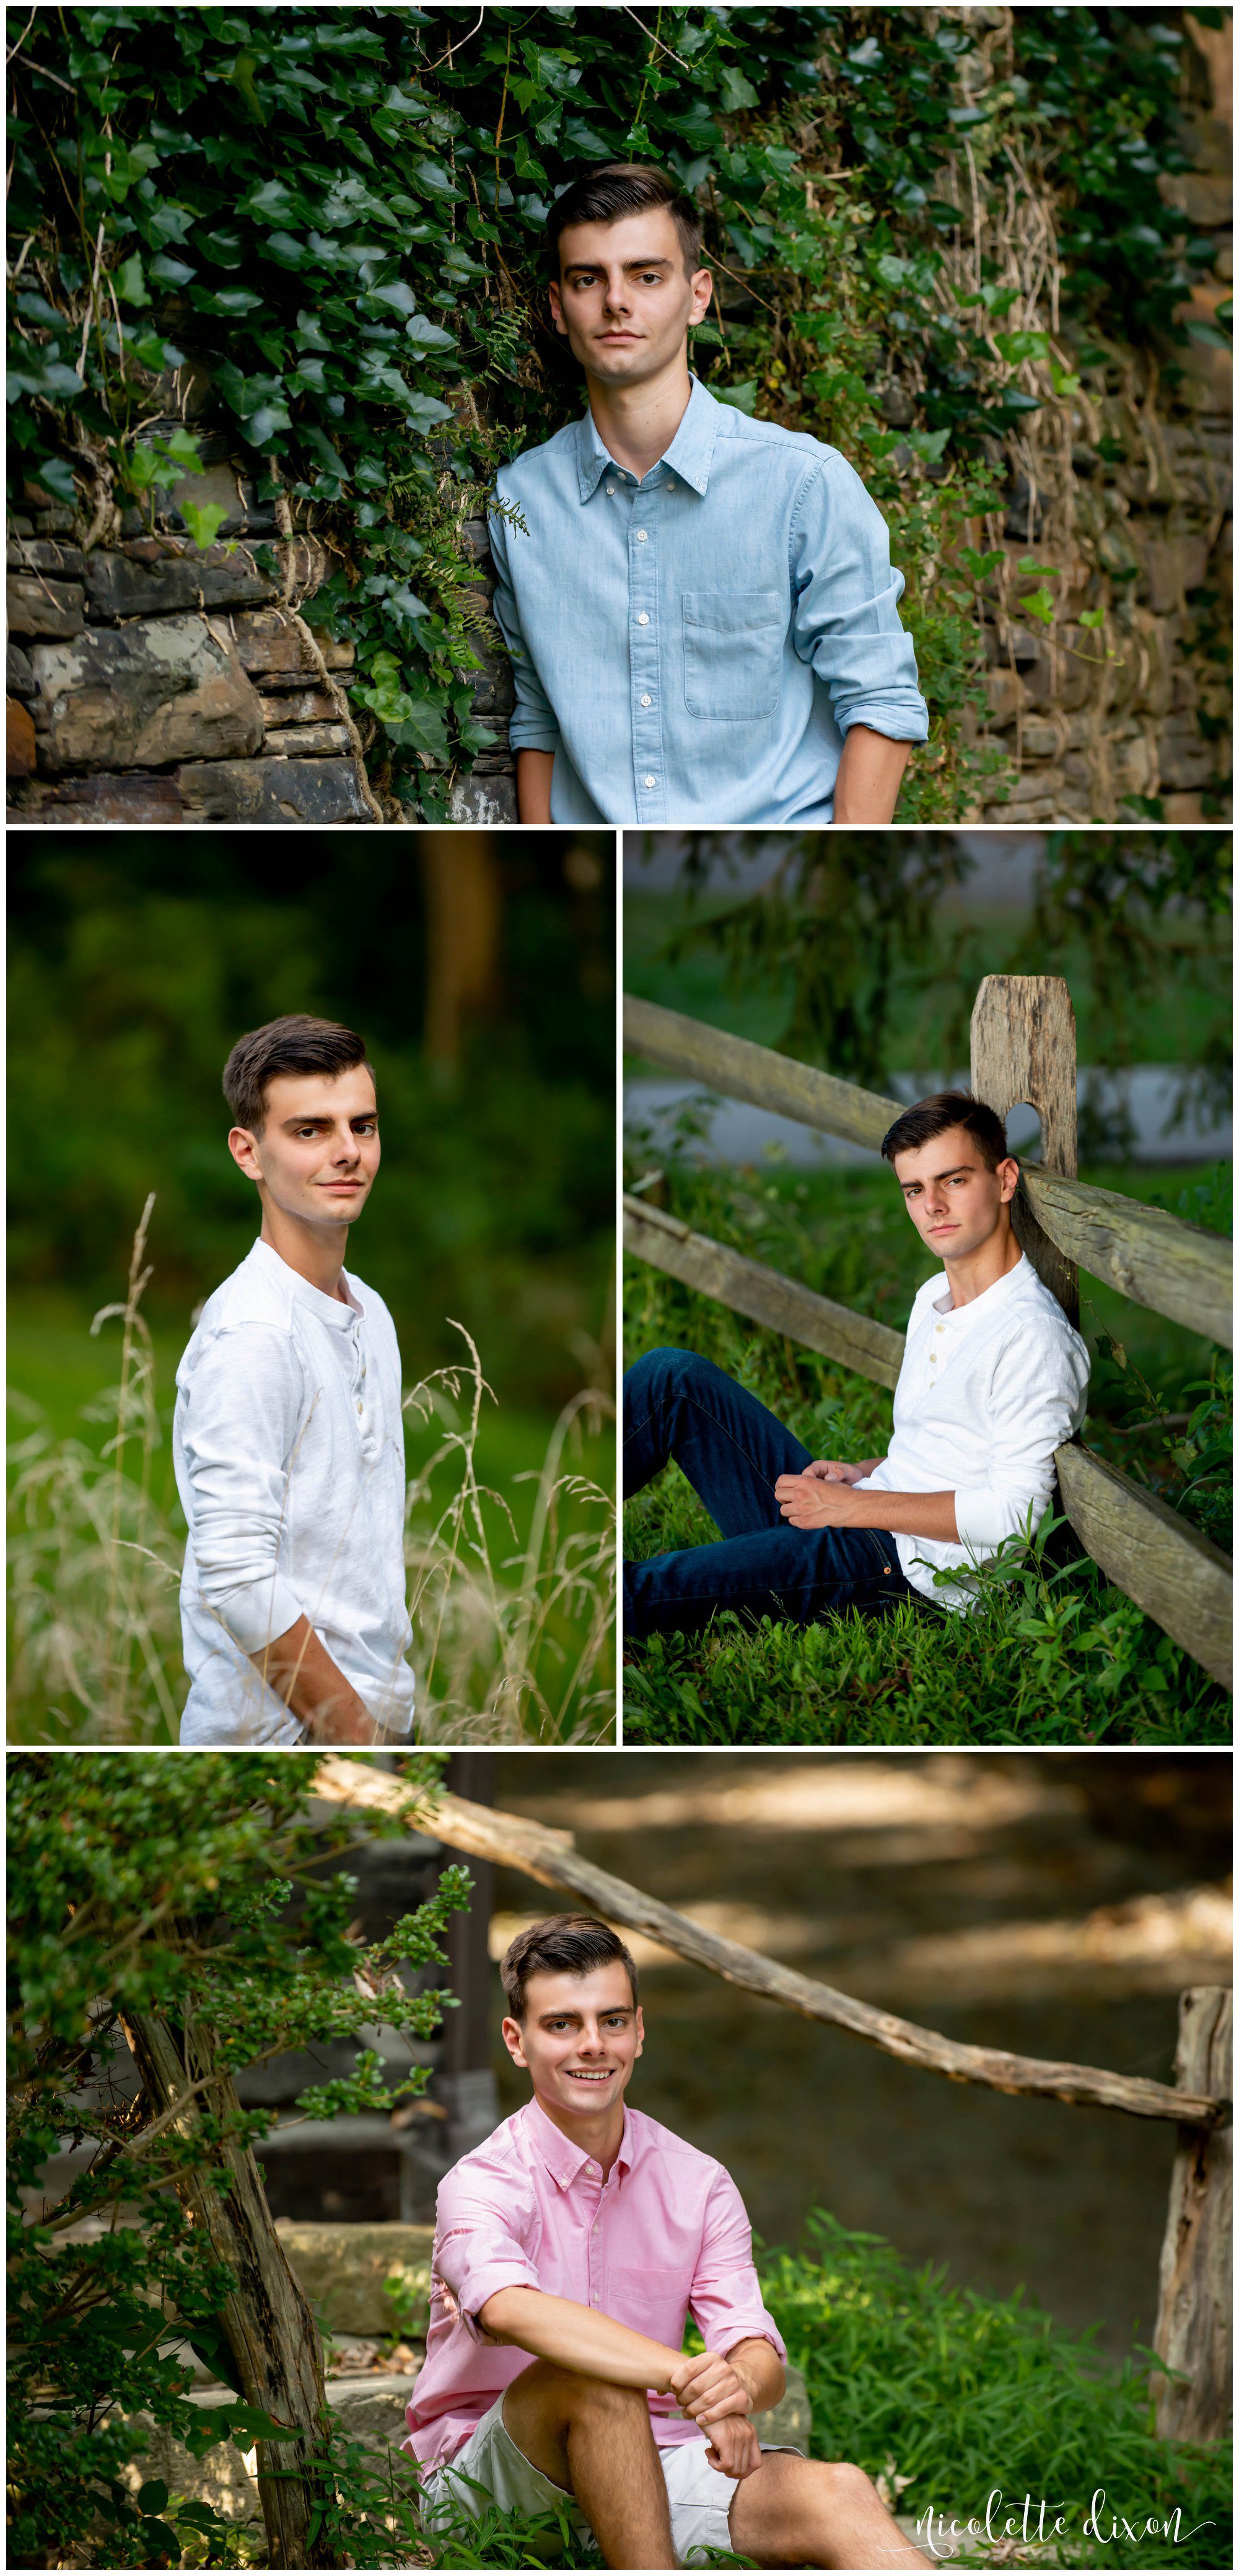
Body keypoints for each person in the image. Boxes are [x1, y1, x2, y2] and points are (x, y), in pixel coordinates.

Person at [406, 1915, 927, 2570]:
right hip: (493, 2486)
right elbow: (509, 2307)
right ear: (517, 2039)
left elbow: (754, 2347)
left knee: (837, 2490)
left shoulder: (697, 2181)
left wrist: (731, 2387)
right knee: (594, 2380)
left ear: (640, 2030)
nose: (592, 2044)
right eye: (562, 2023)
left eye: (613, 2020)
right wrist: (682, 2372)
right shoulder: (481, 2180)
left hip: (656, 2466)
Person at [488, 160, 928, 829]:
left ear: (697, 296)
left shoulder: (802, 486)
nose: (615, 301)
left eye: (646, 275)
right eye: (588, 279)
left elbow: (881, 700)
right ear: (557, 307)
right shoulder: (522, 502)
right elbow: (538, 716)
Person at [624, 1091, 1090, 1640]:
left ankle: (551, 1583)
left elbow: (1017, 1519)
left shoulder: (1030, 1337)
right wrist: (862, 1475)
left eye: (955, 1180)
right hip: (866, 1512)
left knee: (642, 1589)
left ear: (1005, 1179)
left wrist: (850, 1508)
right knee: (671, 1378)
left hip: (910, 1572)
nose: (933, 1206)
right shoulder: (934, 1296)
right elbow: (948, 1449)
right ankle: (556, 1507)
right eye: (915, 1189)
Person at [173, 1014, 416, 1747]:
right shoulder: (253, 1332)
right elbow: (236, 1576)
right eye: (310, 1130)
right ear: (248, 1151)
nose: (347, 1152)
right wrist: (354, 1733)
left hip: (372, 1726)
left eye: (362, 1126)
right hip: (272, 1748)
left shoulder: (368, 1308)